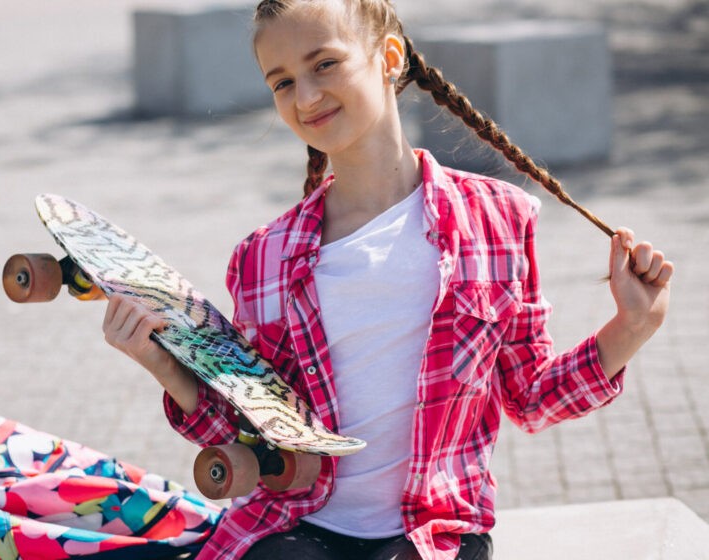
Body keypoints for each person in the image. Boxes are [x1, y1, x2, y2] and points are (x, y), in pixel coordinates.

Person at [101, 1, 674, 559]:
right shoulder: (262, 258)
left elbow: (530, 398)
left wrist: (631, 326)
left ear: (390, 57)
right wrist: (163, 365)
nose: (306, 97)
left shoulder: (496, 219)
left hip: (433, 531)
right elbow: (251, 432)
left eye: (325, 64)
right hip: (295, 525)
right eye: (282, 82)